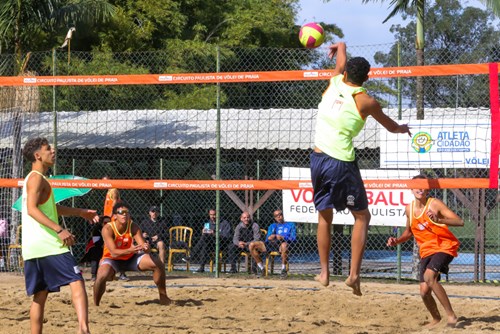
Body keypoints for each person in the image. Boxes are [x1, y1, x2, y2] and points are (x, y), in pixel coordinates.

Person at [310, 42, 411, 294]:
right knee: (362, 216)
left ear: (345, 74)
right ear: (368, 77)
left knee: (324, 216)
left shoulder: (334, 83)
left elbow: (340, 62)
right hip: (340, 162)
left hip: (317, 159)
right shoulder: (366, 101)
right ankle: (354, 275)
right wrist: (402, 128)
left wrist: (341, 45)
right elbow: (390, 126)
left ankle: (324, 273)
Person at [21, 137, 99, 334]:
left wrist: (80, 212)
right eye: (48, 149)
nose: (53, 151)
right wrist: (59, 229)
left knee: (40, 295)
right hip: (48, 244)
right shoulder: (37, 177)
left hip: (32, 248)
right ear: (37, 155)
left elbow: (48, 209)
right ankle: (83, 329)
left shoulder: (34, 178)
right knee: (76, 280)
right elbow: (31, 209)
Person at [387, 175, 463, 328]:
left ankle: (451, 316)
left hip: (444, 245)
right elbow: (408, 233)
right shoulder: (409, 209)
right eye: (417, 185)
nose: (420, 188)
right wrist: (397, 241)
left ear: (428, 189)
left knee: (429, 277)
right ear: (411, 189)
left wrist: (439, 220)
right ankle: (436, 318)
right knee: (423, 291)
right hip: (426, 250)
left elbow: (459, 221)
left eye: (423, 186)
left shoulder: (434, 204)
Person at [93, 201, 170, 306]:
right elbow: (114, 253)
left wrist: (146, 247)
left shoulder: (133, 226)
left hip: (131, 258)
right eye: (121, 212)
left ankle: (163, 297)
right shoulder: (107, 228)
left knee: (158, 264)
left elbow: (143, 247)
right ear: (115, 216)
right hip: (112, 259)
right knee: (101, 275)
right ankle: (96, 304)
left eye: (127, 212)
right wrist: (131, 250)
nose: (124, 214)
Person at [102, 176, 128, 281]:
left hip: (113, 221)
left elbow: (114, 206)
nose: (103, 184)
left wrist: (109, 219)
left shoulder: (113, 190)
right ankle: (113, 272)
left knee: (117, 245)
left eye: (105, 182)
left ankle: (121, 272)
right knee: (110, 246)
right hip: (110, 221)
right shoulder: (109, 191)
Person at [191, 209, 232, 273]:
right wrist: (203, 232)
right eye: (211, 215)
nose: (213, 216)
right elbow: (205, 235)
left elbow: (226, 236)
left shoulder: (224, 223)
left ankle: (192, 255)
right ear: (209, 215)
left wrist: (214, 233)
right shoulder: (208, 223)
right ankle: (201, 268)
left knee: (204, 241)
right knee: (204, 242)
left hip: (222, 244)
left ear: (218, 215)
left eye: (214, 215)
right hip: (211, 244)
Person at [229, 211, 265, 276]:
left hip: (251, 245)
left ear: (250, 218)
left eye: (248, 217)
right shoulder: (239, 226)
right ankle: (233, 269)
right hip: (241, 246)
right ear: (241, 219)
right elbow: (235, 239)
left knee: (256, 248)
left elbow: (257, 239)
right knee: (231, 247)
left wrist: (246, 243)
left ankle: (254, 270)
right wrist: (238, 243)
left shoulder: (255, 225)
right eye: (244, 217)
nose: (246, 219)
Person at [265, 210, 296, 279]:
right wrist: (270, 237)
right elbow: (267, 239)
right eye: (276, 216)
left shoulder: (290, 225)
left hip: (286, 244)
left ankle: (283, 269)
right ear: (274, 218)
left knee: (284, 245)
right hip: (273, 244)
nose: (278, 217)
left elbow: (293, 238)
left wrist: (283, 237)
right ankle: (261, 268)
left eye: (280, 214)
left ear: (283, 215)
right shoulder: (272, 226)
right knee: (255, 244)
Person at [80, 215, 111, 281]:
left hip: (108, 247)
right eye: (105, 223)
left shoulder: (113, 229)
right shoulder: (97, 230)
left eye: (109, 223)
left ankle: (120, 274)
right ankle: (94, 275)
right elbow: (96, 242)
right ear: (101, 223)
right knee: (95, 255)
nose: (107, 224)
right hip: (97, 246)